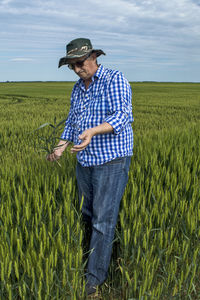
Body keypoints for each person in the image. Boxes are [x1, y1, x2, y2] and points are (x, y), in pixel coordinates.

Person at [47, 38, 134, 296]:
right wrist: (61, 147)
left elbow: (122, 115)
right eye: (72, 66)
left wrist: (93, 132)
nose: (77, 69)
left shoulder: (114, 79)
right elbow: (72, 122)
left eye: (80, 63)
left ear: (94, 57)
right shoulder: (77, 88)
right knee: (87, 215)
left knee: (102, 221)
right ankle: (90, 261)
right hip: (84, 161)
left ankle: (93, 281)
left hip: (111, 160)